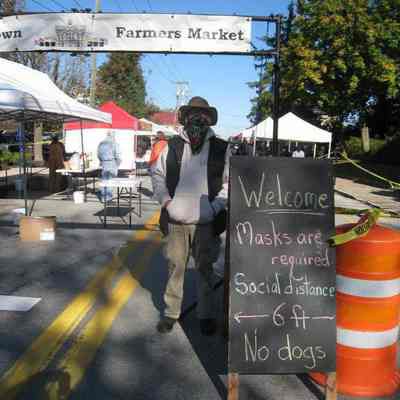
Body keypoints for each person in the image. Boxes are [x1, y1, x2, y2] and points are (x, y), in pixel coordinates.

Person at [152, 96, 229, 336]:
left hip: (206, 222)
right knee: (175, 268)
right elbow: (157, 175)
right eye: (193, 113)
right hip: (176, 221)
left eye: (202, 114)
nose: (198, 118)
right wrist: (167, 202)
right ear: (185, 118)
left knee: (206, 270)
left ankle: (205, 314)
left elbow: (230, 183)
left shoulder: (221, 148)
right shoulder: (172, 146)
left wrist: (215, 207)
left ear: (209, 118)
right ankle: (171, 313)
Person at [97, 131, 121, 202]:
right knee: (110, 181)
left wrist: (102, 161)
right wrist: (117, 164)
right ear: (113, 135)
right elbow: (118, 155)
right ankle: (108, 198)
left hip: (104, 163)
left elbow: (98, 154)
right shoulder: (114, 143)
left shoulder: (101, 143)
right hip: (112, 162)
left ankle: (103, 198)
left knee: (104, 180)